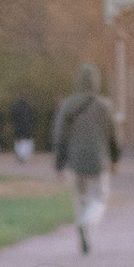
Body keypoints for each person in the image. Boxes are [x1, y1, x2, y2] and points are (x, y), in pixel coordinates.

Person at [51, 59, 119, 253]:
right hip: (99, 158)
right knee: (100, 196)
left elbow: (60, 135)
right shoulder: (104, 105)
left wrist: (59, 162)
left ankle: (82, 227)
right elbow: (113, 135)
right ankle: (87, 223)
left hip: (76, 159)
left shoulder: (67, 105)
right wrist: (115, 158)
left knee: (80, 197)